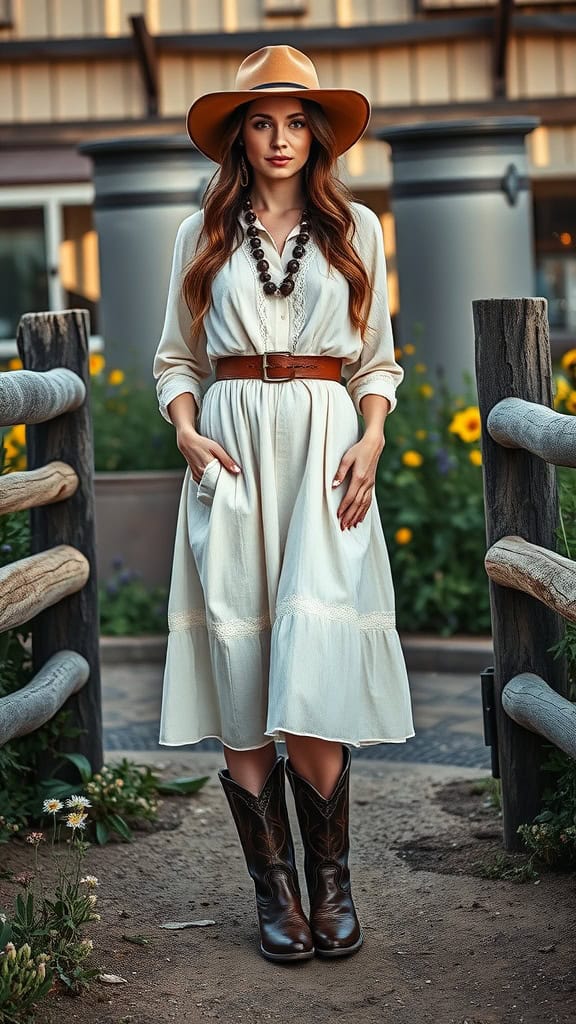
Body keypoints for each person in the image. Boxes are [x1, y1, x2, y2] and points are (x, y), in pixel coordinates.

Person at [153, 44, 415, 964]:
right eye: (261, 122)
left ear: (317, 136)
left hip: (325, 447)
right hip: (227, 451)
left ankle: (331, 882)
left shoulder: (358, 229)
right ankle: (276, 893)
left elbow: (376, 357)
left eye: (296, 122)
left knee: (310, 672)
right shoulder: (201, 235)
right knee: (242, 664)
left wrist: (372, 436)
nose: (278, 139)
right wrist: (186, 430)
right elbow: (175, 359)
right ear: (239, 136)